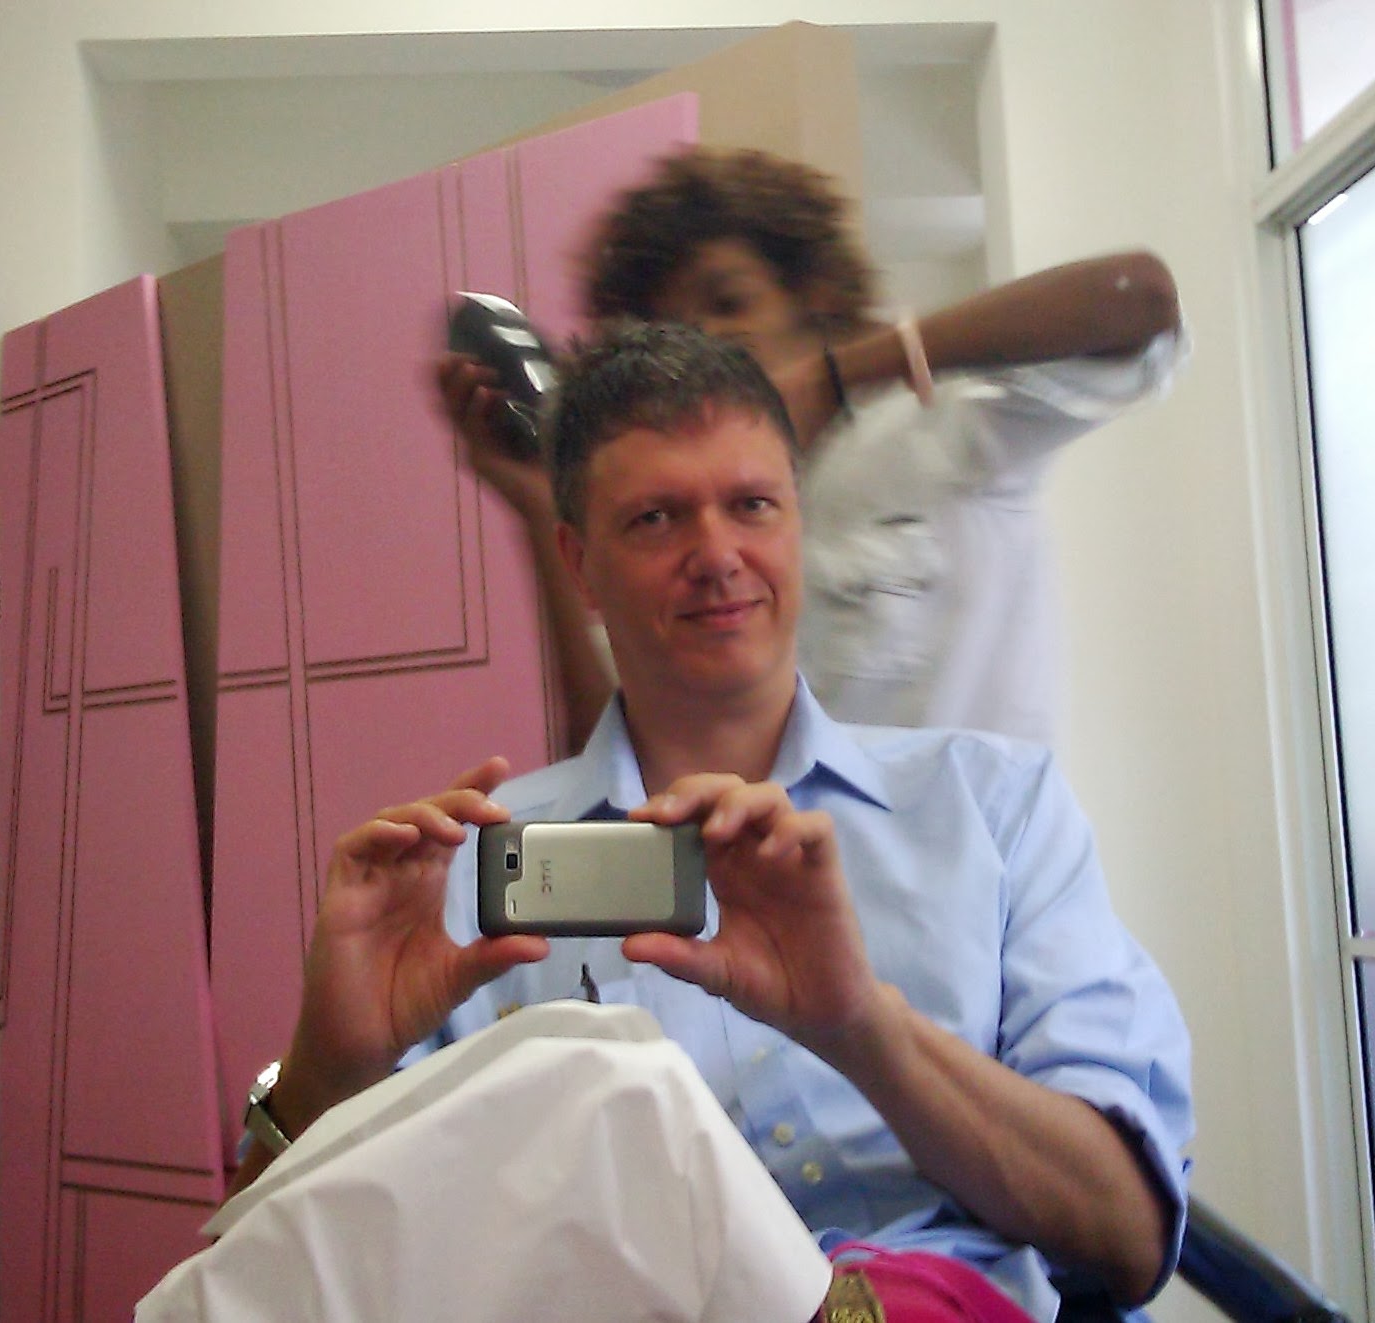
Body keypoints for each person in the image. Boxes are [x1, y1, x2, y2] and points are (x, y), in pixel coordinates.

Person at [229, 323, 1192, 1322]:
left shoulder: (994, 807)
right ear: (579, 565)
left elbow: (1125, 1236)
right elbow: (252, 1285)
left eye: (752, 506)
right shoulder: (462, 874)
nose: (718, 555)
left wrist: (862, 1028)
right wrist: (327, 1066)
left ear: (797, 525)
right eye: (655, 519)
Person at [440, 145, 1187, 750]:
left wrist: (839, 372)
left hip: (990, 884)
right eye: (682, 331)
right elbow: (609, 767)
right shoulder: (697, 529)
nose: (715, 340)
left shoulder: (938, 431)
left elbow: (1140, 297)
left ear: (816, 292)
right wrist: (539, 506)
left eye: (730, 302)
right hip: (788, 890)